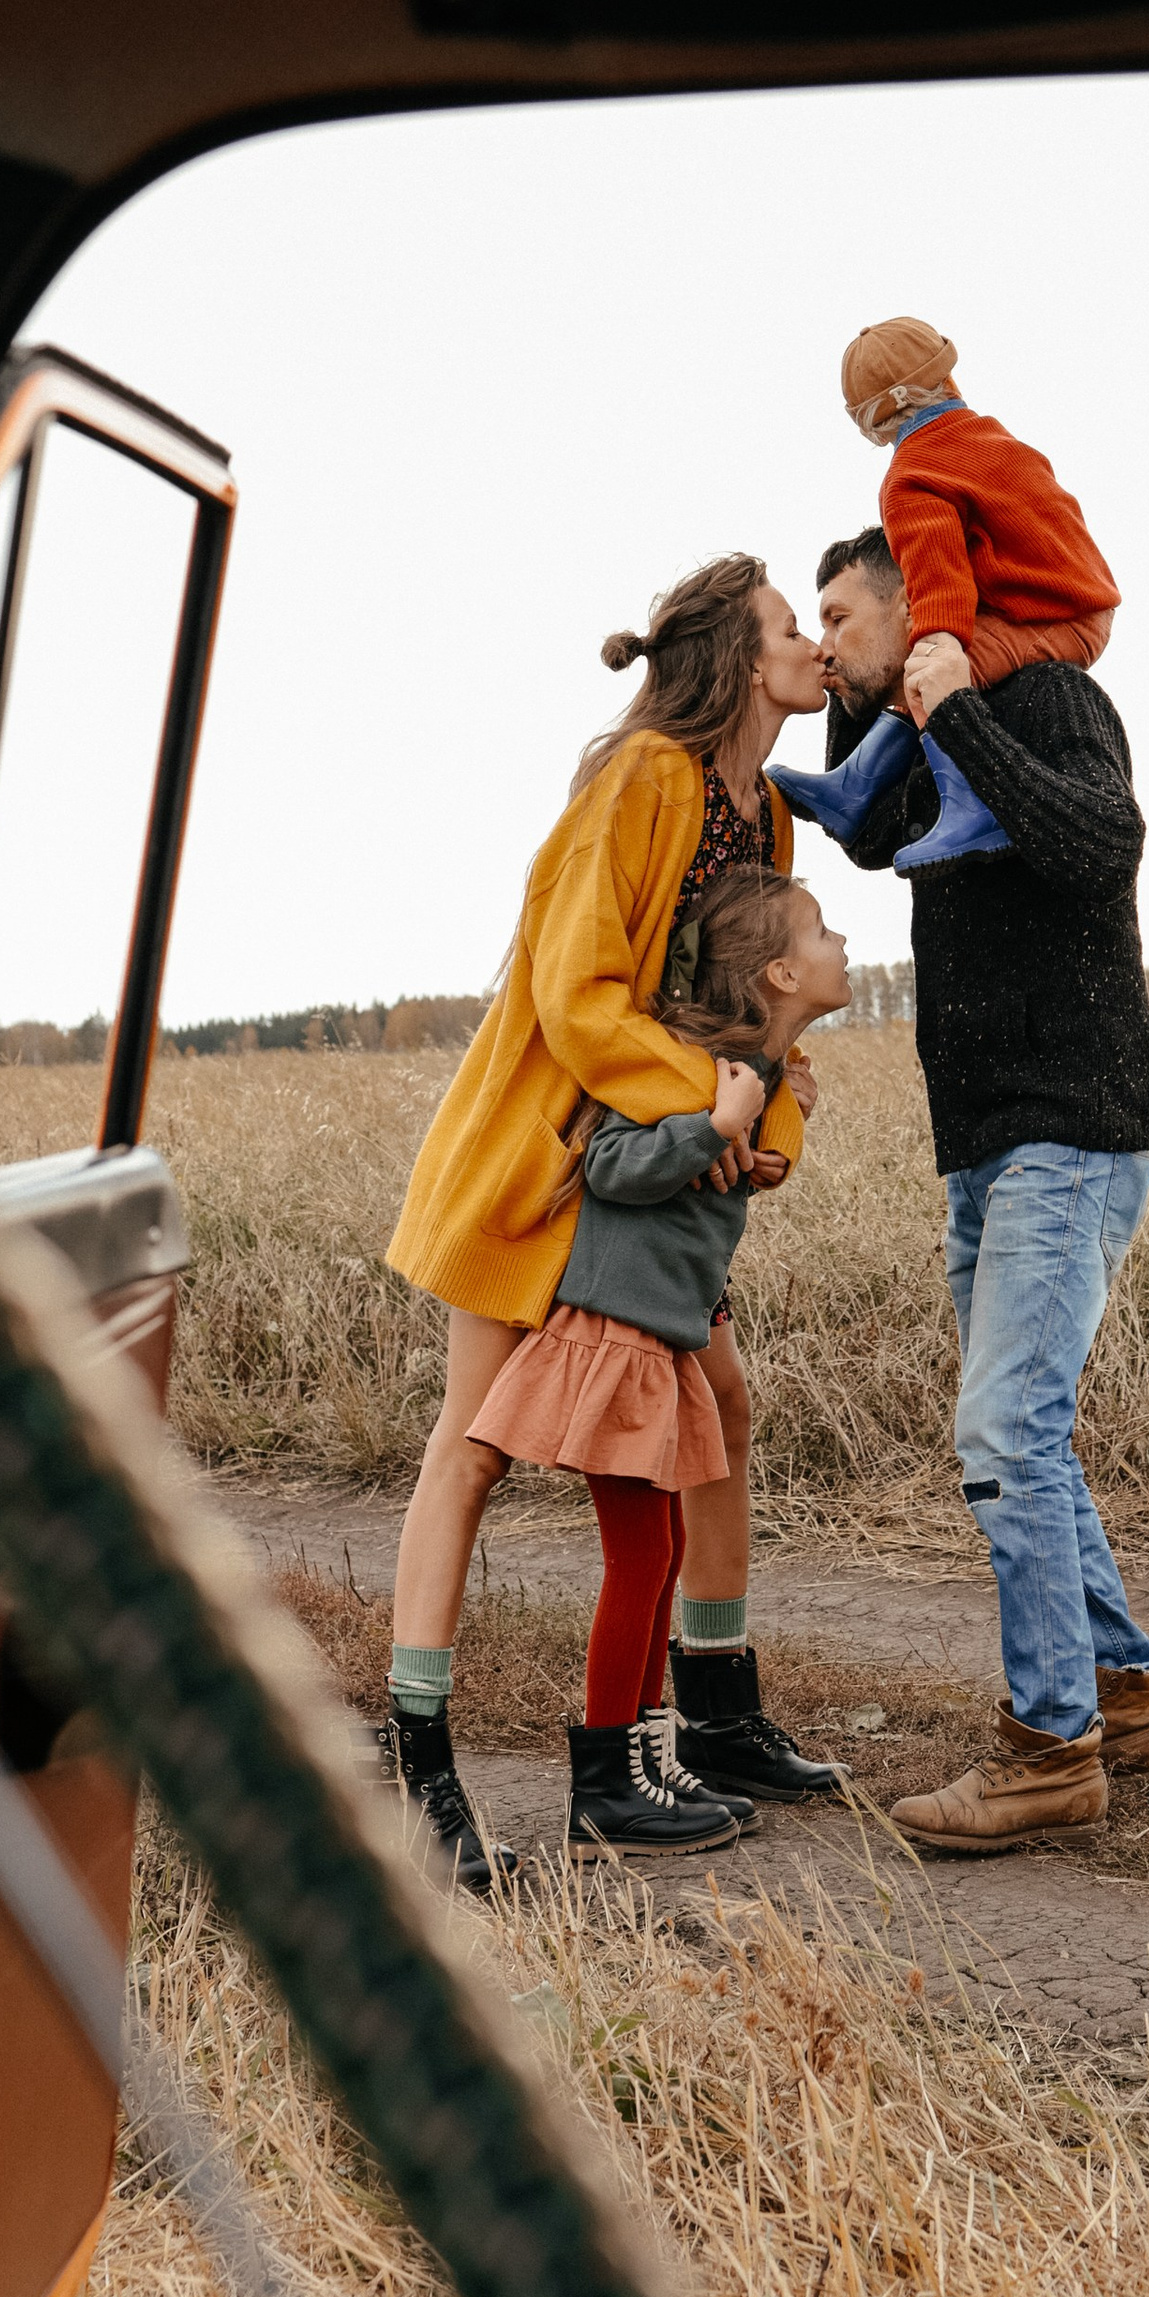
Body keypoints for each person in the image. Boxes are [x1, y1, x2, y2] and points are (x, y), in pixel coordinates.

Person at [381, 555, 842, 1887]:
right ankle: (421, 1766)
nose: (813, 644)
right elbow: (578, 1001)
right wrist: (718, 1109)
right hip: (537, 1167)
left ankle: (714, 1709)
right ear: (740, 663)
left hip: (653, 1177)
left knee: (720, 1414)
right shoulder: (643, 783)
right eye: (790, 627)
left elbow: (755, 1020)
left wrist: (759, 1140)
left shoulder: (764, 818)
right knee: (470, 1456)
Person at [812, 526, 1149, 1848]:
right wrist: (890, 709)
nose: (830, 640)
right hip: (988, 1141)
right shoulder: (919, 731)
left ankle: (1046, 1748)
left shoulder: (1044, 697)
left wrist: (959, 702)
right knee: (1030, 1431)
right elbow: (866, 837)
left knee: (1005, 1436)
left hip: (1067, 1126)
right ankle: (1117, 1688)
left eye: (843, 614)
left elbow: (1100, 845)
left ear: (918, 598)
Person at [466, 868, 857, 1853]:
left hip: (663, 1336)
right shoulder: (686, 1072)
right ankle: (604, 1784)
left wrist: (754, 1136)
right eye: (821, 930)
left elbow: (702, 1170)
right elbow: (609, 1165)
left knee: (663, 1552)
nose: (840, 940)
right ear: (775, 971)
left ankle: (645, 1758)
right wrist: (713, 1128)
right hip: (614, 1340)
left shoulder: (745, 1073)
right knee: (639, 1559)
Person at [777, 315, 1120, 873]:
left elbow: (937, 578)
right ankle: (853, 786)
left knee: (930, 679)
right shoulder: (993, 438)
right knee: (928, 676)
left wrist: (936, 648)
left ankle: (968, 810)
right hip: (1074, 605)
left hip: (1053, 619)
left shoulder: (913, 474)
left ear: (873, 417)